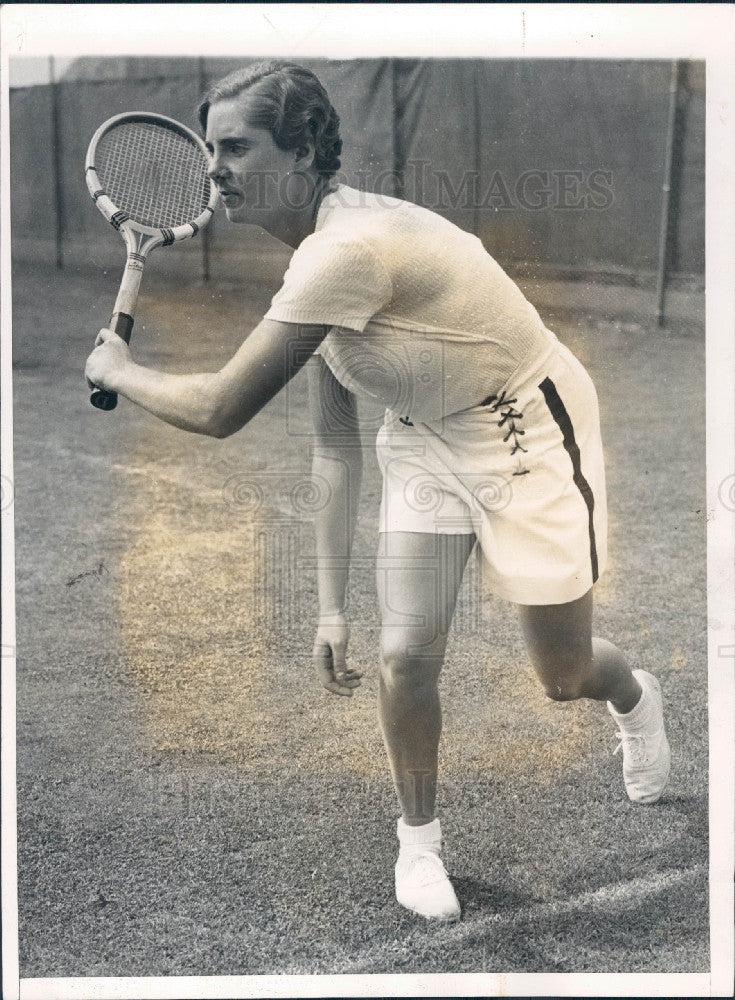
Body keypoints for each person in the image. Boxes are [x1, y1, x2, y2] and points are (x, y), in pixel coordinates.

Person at [85, 61, 671, 922]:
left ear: (306, 151)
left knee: (562, 673)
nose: (214, 169)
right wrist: (330, 608)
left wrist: (119, 370)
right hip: (422, 437)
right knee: (406, 654)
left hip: (524, 432)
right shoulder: (312, 263)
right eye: (210, 148)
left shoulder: (346, 250)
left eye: (237, 146)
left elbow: (218, 410)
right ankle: (419, 844)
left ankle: (634, 697)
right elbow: (332, 446)